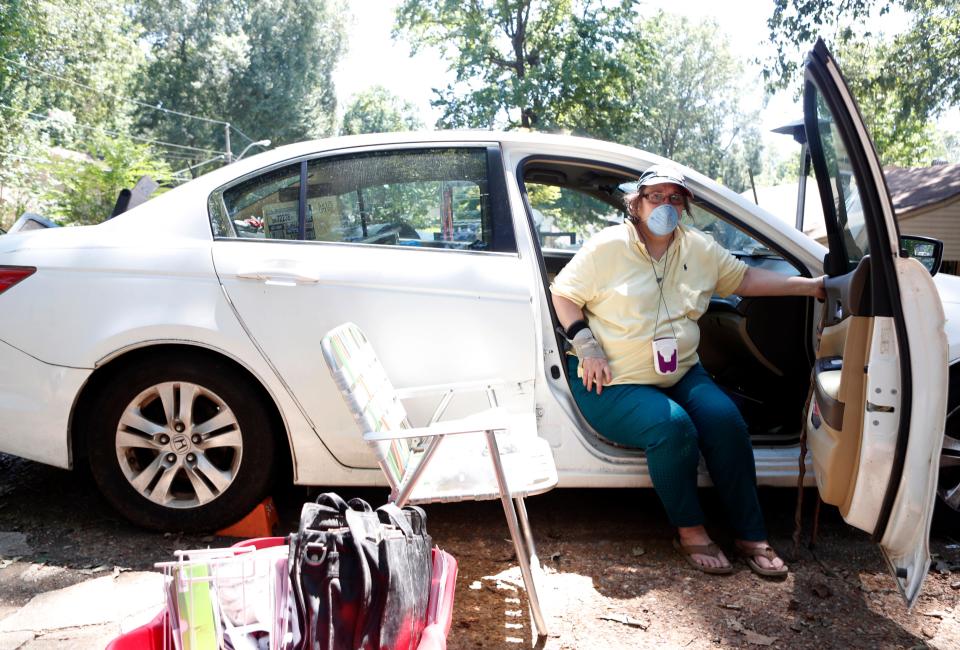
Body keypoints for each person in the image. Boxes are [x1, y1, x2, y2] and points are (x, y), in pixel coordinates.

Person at [550, 163, 825, 576]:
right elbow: (564, 294)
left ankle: (751, 534)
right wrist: (586, 344)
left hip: (680, 372)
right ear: (636, 204)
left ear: (686, 206)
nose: (665, 204)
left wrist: (812, 286)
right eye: (655, 196)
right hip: (613, 379)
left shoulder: (699, 248)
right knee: (674, 428)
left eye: (674, 198)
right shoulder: (607, 247)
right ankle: (691, 532)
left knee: (727, 421)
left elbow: (745, 279)